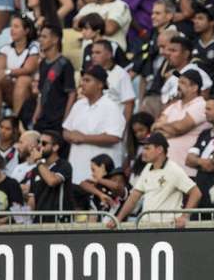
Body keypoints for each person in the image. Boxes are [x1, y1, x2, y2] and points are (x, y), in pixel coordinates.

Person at [111, 132, 201, 228]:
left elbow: (196, 193)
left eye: (147, 148)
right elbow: (134, 197)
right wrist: (118, 219)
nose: (143, 152)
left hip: (168, 227)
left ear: (159, 150)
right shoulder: (148, 167)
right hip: (148, 227)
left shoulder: (173, 169)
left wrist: (184, 217)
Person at [63, 65, 126, 201]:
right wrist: (71, 136)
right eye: (82, 80)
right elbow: (66, 131)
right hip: (77, 173)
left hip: (101, 178)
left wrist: (84, 138)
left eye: (87, 80)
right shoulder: (78, 105)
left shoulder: (111, 106)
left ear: (100, 84)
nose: (82, 84)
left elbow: (114, 137)